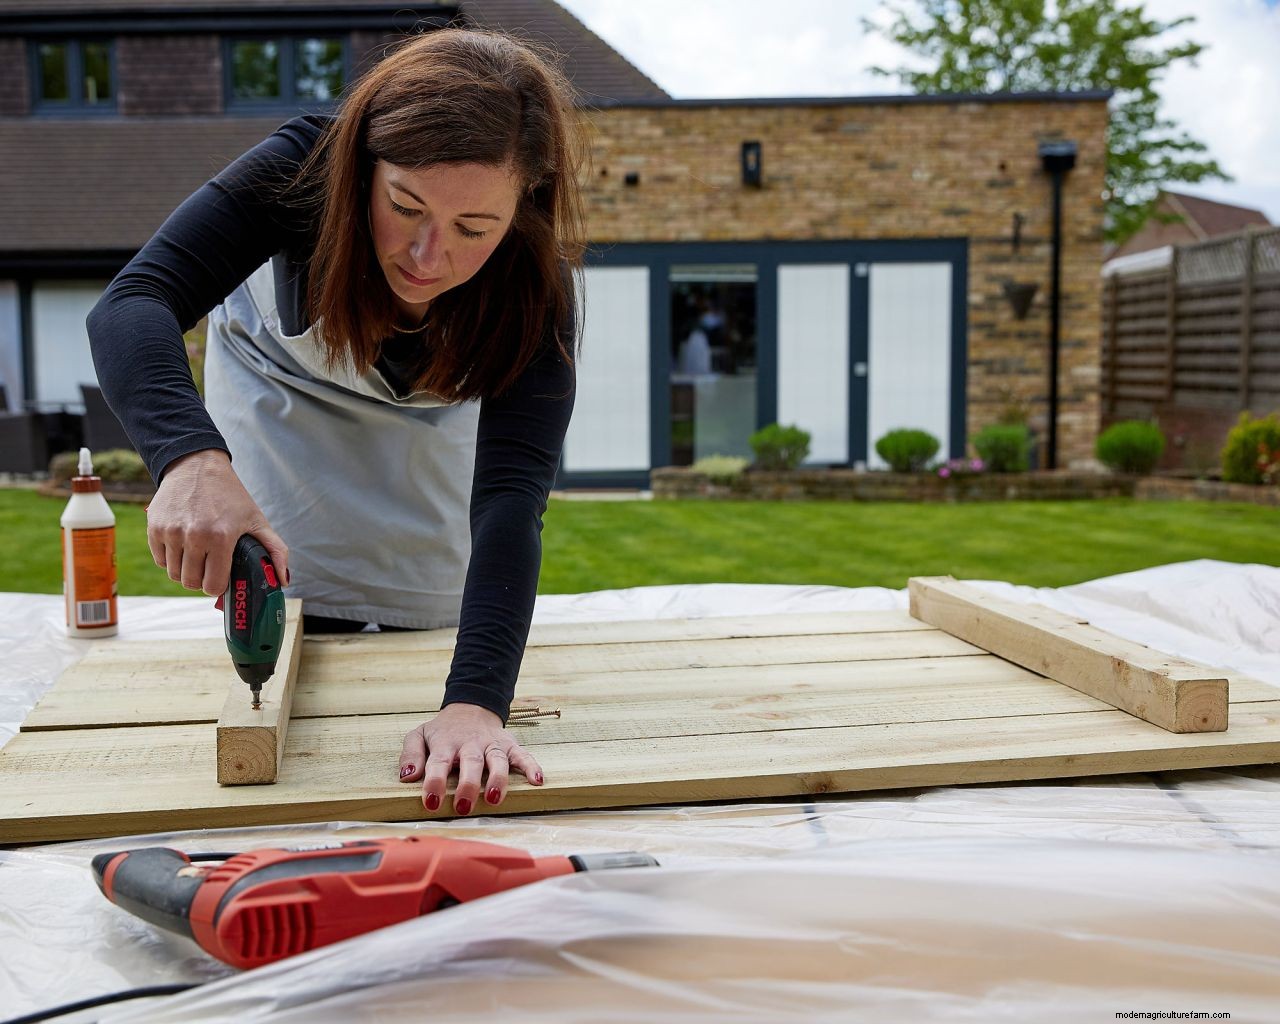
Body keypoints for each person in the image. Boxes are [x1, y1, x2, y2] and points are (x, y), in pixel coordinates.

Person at [85, 28, 588, 818]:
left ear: (520, 208)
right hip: (276, 412)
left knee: (425, 607)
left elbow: (511, 498)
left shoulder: (535, 287)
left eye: (473, 229)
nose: (428, 255)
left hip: (426, 478)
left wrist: (476, 704)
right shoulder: (300, 169)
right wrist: (190, 459)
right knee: (288, 610)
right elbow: (132, 303)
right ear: (362, 168)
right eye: (405, 206)